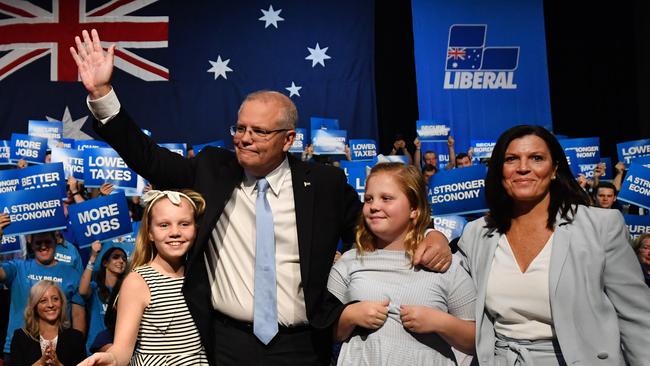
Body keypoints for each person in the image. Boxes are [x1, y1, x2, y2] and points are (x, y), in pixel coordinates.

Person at [70, 29, 451, 366]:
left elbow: (374, 225)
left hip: (304, 344)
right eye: (239, 127)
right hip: (226, 343)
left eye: (258, 131)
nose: (244, 138)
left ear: (288, 139)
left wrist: (430, 233)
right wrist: (103, 94)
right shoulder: (212, 169)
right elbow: (147, 156)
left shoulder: (324, 183)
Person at [457, 125, 650, 365]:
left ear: (555, 169)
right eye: (511, 159)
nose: (523, 167)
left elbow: (636, 317)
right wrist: (434, 238)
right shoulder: (477, 233)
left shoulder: (601, 226)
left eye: (536, 158)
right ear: (499, 170)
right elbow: (450, 289)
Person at [328, 163, 476, 365]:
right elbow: (327, 333)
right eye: (369, 199)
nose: (374, 206)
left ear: (414, 209)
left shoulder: (443, 263)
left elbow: (477, 340)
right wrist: (350, 315)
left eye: (386, 198)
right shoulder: (348, 263)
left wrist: (440, 322)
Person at [78, 189, 209, 365]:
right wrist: (111, 358)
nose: (175, 232)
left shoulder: (201, 274)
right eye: (164, 225)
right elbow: (123, 348)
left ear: (196, 229)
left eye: (184, 224)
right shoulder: (137, 282)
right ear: (149, 233)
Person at [0, 231, 85, 363]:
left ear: (56, 242)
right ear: (31, 244)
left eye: (48, 242)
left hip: (63, 348)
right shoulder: (19, 267)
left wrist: (76, 346)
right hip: (19, 347)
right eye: (38, 243)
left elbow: (78, 315)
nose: (43, 246)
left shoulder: (72, 273)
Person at [9, 281, 86, 366]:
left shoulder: (76, 338)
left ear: (62, 303)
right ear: (35, 306)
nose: (50, 304)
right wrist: (41, 363)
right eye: (43, 301)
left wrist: (58, 365)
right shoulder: (20, 336)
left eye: (55, 299)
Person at [79, 241, 128, 353]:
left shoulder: (126, 292)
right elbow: (82, 290)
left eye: (124, 259)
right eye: (116, 257)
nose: (121, 261)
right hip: (94, 349)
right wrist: (93, 257)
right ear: (105, 263)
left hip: (116, 349)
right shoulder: (95, 287)